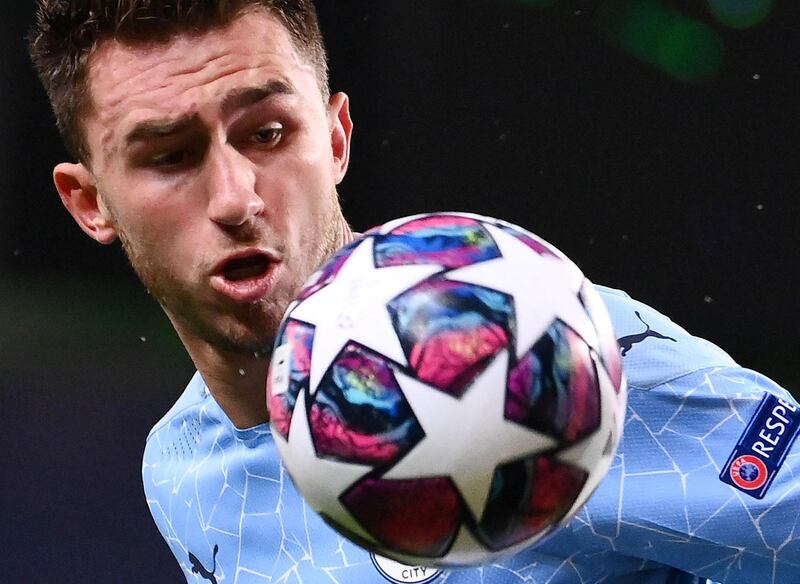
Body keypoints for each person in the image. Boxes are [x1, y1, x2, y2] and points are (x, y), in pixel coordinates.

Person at [28, 1, 799, 583]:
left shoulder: (552, 349)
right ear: (89, 203)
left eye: (267, 133)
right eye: (170, 154)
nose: (235, 198)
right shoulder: (180, 469)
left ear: (335, 140)